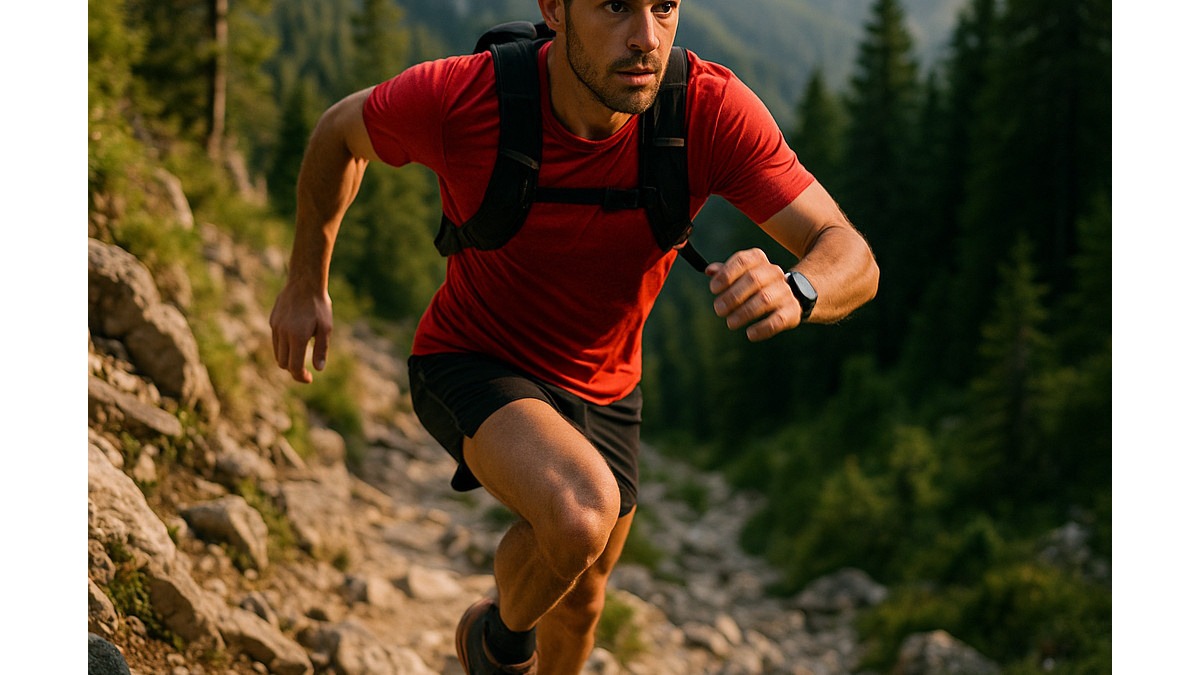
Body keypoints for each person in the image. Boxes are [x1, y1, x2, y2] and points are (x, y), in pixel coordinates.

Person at [270, 1, 879, 673]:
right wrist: (306, 281)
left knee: (583, 597)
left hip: (608, 384)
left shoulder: (705, 111)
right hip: (471, 356)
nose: (645, 37)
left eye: (664, 6)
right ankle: (495, 642)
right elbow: (338, 134)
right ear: (554, 9)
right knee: (582, 511)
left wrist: (797, 290)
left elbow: (850, 252)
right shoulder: (467, 99)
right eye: (614, 6)